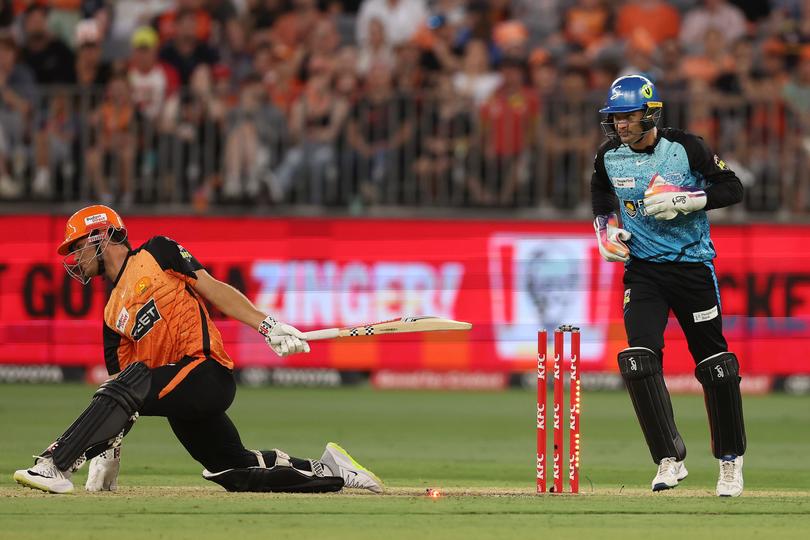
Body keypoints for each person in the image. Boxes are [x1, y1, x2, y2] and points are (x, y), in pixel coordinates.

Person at [13, 205, 383, 495]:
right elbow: (120, 388)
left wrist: (266, 325)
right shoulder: (111, 314)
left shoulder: (157, 251)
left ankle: (55, 464)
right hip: (179, 394)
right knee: (233, 469)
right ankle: (333, 470)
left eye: (78, 246)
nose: (74, 259)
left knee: (133, 381)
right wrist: (108, 451)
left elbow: (211, 287)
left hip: (205, 372)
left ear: (100, 236)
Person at [591, 75, 746, 497]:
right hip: (644, 272)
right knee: (638, 359)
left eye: (629, 116)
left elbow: (733, 187)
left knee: (715, 365)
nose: (621, 125)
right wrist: (605, 232)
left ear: (651, 114)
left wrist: (691, 199)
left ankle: (730, 462)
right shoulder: (609, 157)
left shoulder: (686, 148)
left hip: (693, 268)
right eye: (615, 118)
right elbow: (602, 198)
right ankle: (669, 459)